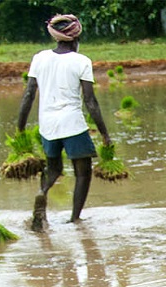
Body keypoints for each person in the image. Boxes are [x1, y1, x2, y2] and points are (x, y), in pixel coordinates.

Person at [16, 14, 110, 231]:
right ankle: (75, 219)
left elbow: (29, 93)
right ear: (76, 38)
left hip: (47, 124)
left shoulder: (39, 58)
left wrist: (20, 127)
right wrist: (105, 133)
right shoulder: (81, 61)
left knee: (54, 167)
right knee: (83, 172)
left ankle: (42, 193)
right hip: (72, 124)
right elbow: (90, 101)